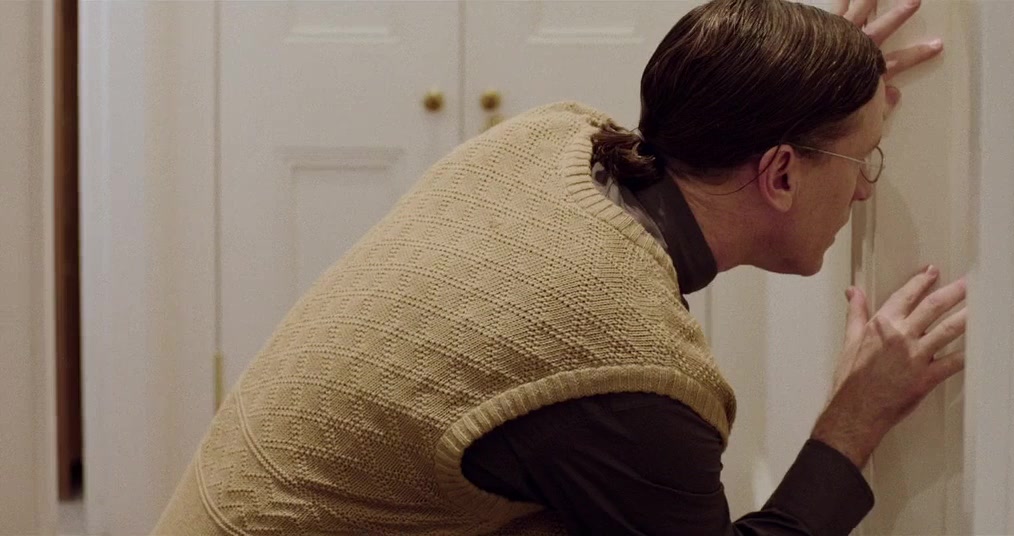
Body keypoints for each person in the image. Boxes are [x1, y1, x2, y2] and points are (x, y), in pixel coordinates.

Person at [153, 0, 965, 534]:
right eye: (863, 159)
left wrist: (811, 82)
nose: (865, 188)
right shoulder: (625, 368)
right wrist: (855, 419)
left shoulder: (549, 140)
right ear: (781, 173)